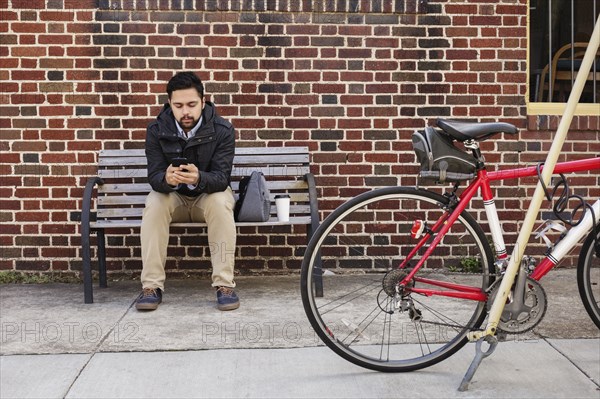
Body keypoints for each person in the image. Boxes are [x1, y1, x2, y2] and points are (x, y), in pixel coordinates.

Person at [135, 71, 239, 311]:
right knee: (155, 202)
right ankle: (151, 287)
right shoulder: (156, 130)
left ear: (203, 102)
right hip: (174, 198)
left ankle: (224, 285)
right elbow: (154, 177)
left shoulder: (222, 129)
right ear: (169, 103)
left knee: (221, 203)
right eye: (178, 105)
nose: (186, 112)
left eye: (192, 104)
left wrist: (199, 177)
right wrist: (167, 179)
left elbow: (222, 178)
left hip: (208, 195)